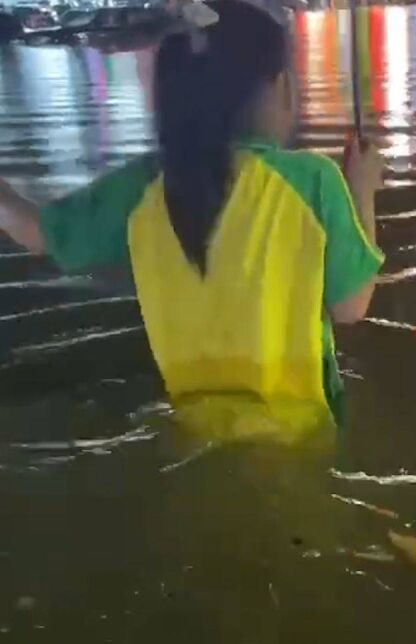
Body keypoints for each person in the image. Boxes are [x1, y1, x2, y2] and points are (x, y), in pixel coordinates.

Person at [0, 0, 384, 444]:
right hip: (300, 436)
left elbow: (41, 233)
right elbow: (352, 306)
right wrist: (361, 189)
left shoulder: (142, 187)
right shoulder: (312, 180)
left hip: (195, 428)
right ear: (277, 88)